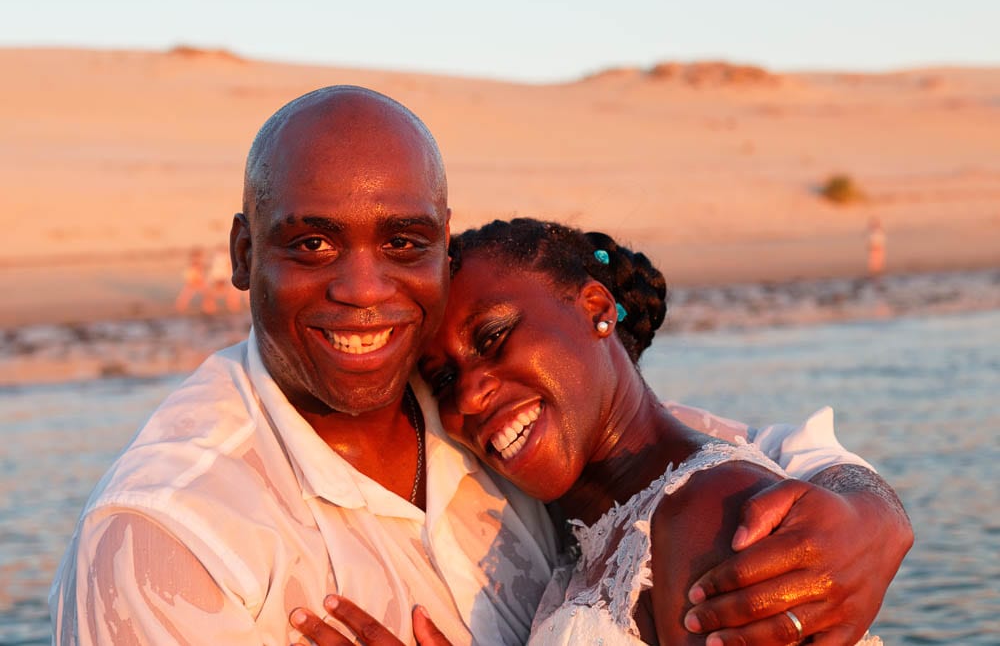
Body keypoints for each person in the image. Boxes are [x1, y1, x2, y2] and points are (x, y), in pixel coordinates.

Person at [50, 87, 912, 645]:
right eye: (310, 243)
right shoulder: (168, 539)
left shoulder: (499, 419)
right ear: (243, 254)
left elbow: (732, 449)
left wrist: (868, 510)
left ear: (438, 244)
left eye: (403, 243)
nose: (362, 290)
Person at [295, 219, 907, 645]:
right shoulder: (598, 525)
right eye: (444, 379)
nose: (471, 394)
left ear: (595, 309)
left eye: (494, 338)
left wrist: (872, 506)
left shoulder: (711, 518)